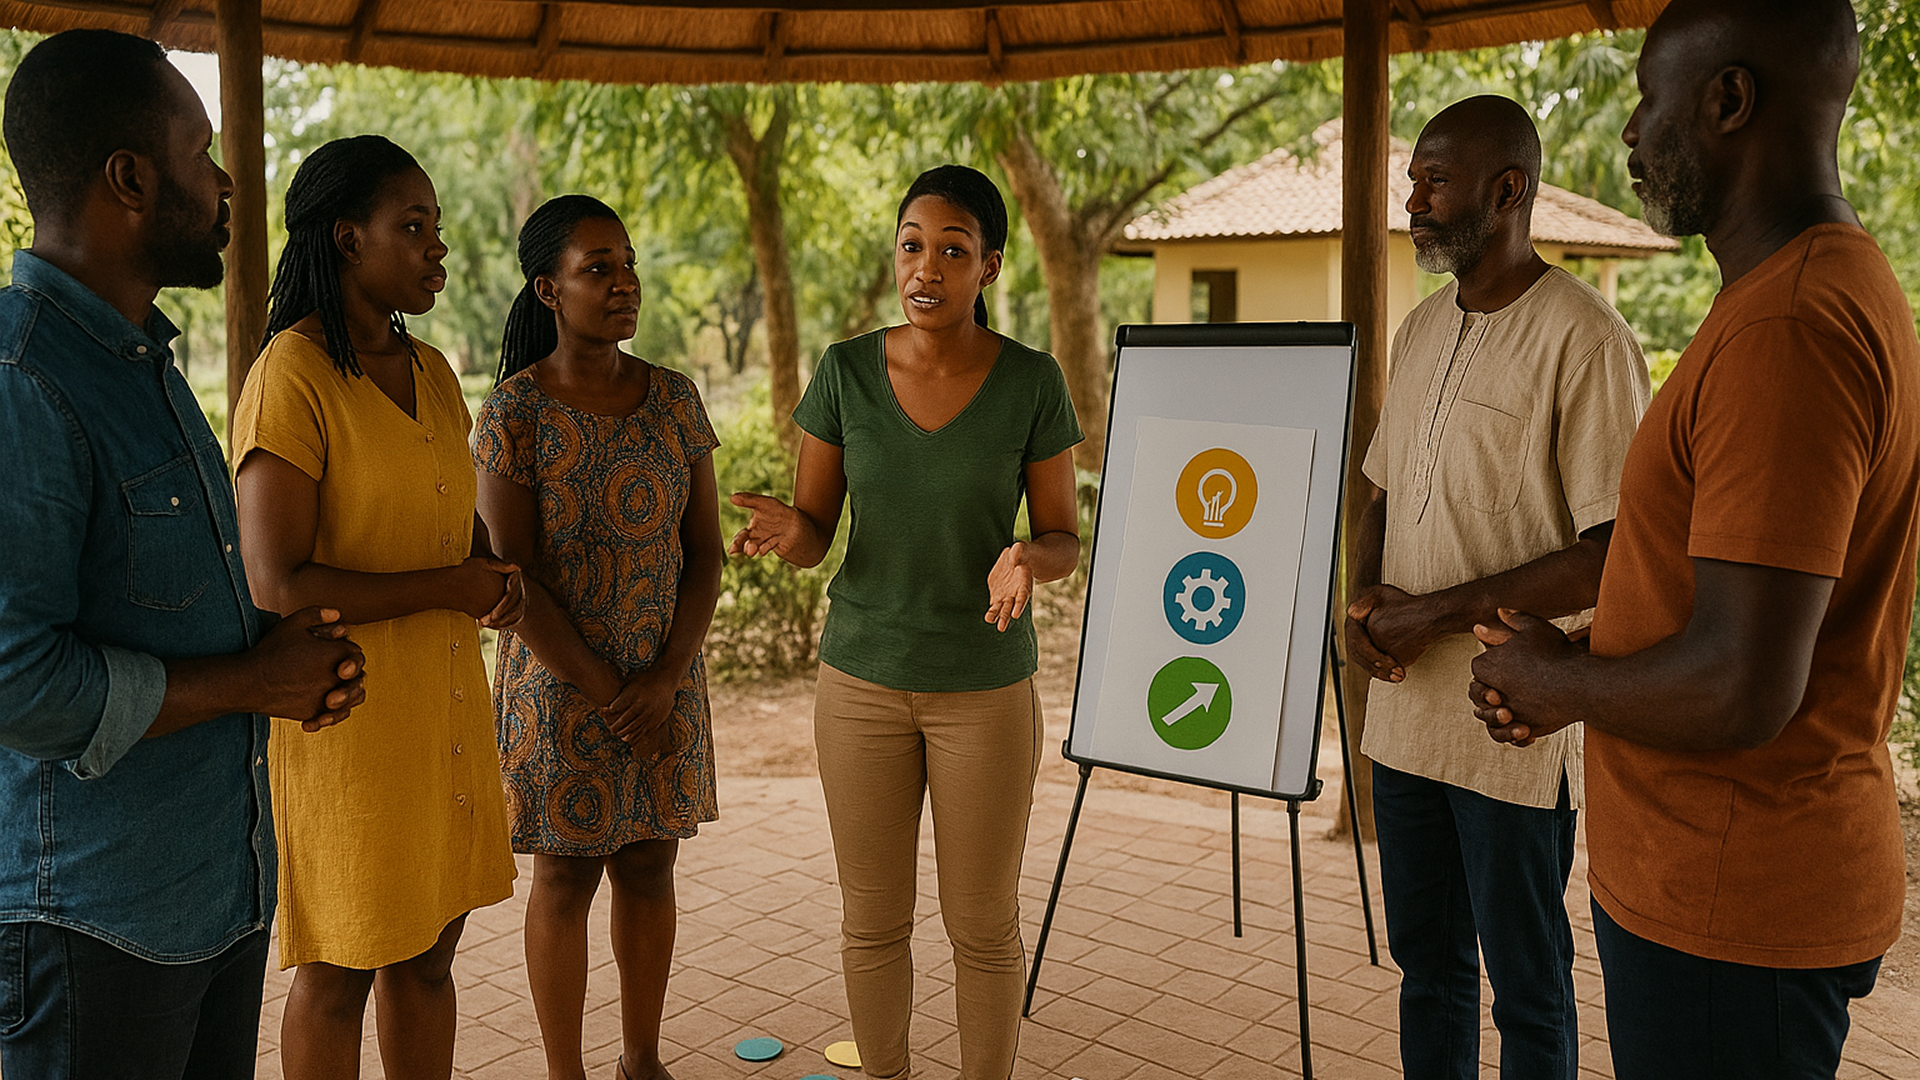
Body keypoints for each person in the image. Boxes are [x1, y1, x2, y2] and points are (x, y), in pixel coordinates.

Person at [1469, 3, 1919, 1077]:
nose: (1628, 132)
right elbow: (1723, 610)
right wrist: (1576, 664)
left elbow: (1742, 684)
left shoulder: (1788, 328)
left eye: (1646, 97)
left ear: (1729, 100)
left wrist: (1561, 688)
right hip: (1719, 881)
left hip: (1734, 899)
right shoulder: (1803, 288)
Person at [0, 30, 365, 1079]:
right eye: (202, 153)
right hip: (89, 924)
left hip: (210, 901)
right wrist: (252, 677)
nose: (224, 182)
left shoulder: (141, 361)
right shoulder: (25, 375)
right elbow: (17, 679)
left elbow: (145, 600)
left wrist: (279, 657)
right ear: (128, 178)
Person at [729, 164, 1082, 1080]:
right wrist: (785, 531)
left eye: (952, 250)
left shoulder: (1032, 383)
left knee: (981, 924)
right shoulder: (846, 371)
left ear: (990, 267)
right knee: (873, 920)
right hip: (862, 684)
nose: (926, 267)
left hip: (985, 688)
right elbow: (815, 536)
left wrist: (1026, 559)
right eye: (912, 246)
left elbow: (1062, 538)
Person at [1342, 94, 1649, 1080]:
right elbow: (1382, 491)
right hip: (1407, 725)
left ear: (1508, 189)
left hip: (1511, 722)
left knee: (1527, 985)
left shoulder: (1586, 340)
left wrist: (1430, 612)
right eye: (1412, 176)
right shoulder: (1423, 328)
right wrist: (1364, 602)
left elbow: (1612, 551)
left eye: (1435, 177)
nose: (1413, 196)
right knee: (1427, 968)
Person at [231, 134, 523, 1080]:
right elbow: (277, 581)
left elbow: (448, 526)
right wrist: (448, 588)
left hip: (440, 715)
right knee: (339, 971)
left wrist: (491, 573)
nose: (438, 248)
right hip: (347, 722)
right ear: (348, 238)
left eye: (436, 228)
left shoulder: (433, 372)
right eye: (414, 227)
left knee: (430, 962)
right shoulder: (293, 375)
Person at [474, 194, 724, 1080]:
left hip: (665, 681)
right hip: (558, 686)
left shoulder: (675, 400)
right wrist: (606, 689)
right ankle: (565, 1073)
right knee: (566, 880)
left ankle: (642, 1060)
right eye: (597, 269)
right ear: (548, 288)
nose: (624, 283)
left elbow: (705, 557)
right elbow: (515, 579)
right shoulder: (514, 413)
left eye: (627, 264)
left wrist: (664, 678)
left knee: (652, 867)